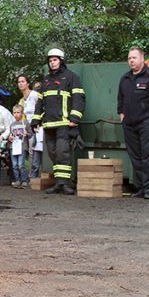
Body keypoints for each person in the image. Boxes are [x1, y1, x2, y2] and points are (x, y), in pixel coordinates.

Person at [117, 46, 149, 199]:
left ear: (142, 59)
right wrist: (122, 116)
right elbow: (120, 99)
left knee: (148, 155)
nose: (131, 60)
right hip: (129, 124)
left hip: (147, 122)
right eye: (129, 58)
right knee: (135, 156)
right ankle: (140, 188)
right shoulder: (125, 78)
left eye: (134, 58)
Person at [41, 50, 86, 195]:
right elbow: (41, 102)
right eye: (50, 60)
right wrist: (36, 119)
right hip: (49, 124)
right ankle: (59, 183)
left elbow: (79, 98)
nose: (52, 62)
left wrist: (74, 118)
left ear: (61, 60)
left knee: (62, 153)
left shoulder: (71, 77)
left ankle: (65, 184)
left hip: (63, 123)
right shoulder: (46, 80)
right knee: (53, 153)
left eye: (54, 60)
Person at [6, 104, 31, 188]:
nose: (16, 114)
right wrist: (10, 138)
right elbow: (11, 135)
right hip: (13, 147)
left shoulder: (26, 123)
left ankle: (25, 180)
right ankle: (17, 180)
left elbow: (31, 134)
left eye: (18, 112)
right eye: (14, 112)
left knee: (21, 165)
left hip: (22, 147)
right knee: (14, 165)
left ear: (22, 113)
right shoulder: (12, 124)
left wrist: (27, 134)